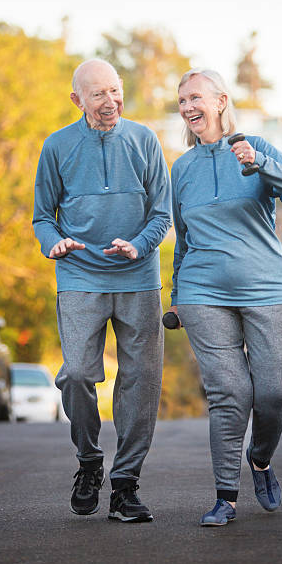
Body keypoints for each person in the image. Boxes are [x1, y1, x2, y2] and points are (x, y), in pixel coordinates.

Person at [168, 68, 282, 526]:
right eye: (182, 100)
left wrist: (260, 163)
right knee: (229, 392)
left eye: (195, 97)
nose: (188, 106)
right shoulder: (182, 168)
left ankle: (261, 459)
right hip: (202, 292)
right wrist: (177, 294)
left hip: (267, 287)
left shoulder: (254, 148)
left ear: (220, 101)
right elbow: (183, 238)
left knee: (274, 390)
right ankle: (225, 497)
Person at [33, 58, 171, 522]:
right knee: (76, 374)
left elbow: (161, 213)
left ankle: (126, 485)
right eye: (98, 95)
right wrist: (55, 244)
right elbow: (41, 217)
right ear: (77, 100)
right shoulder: (57, 147)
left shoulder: (144, 140)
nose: (110, 102)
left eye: (115, 91)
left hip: (138, 277)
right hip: (79, 278)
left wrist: (139, 244)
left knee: (141, 382)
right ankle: (90, 461)